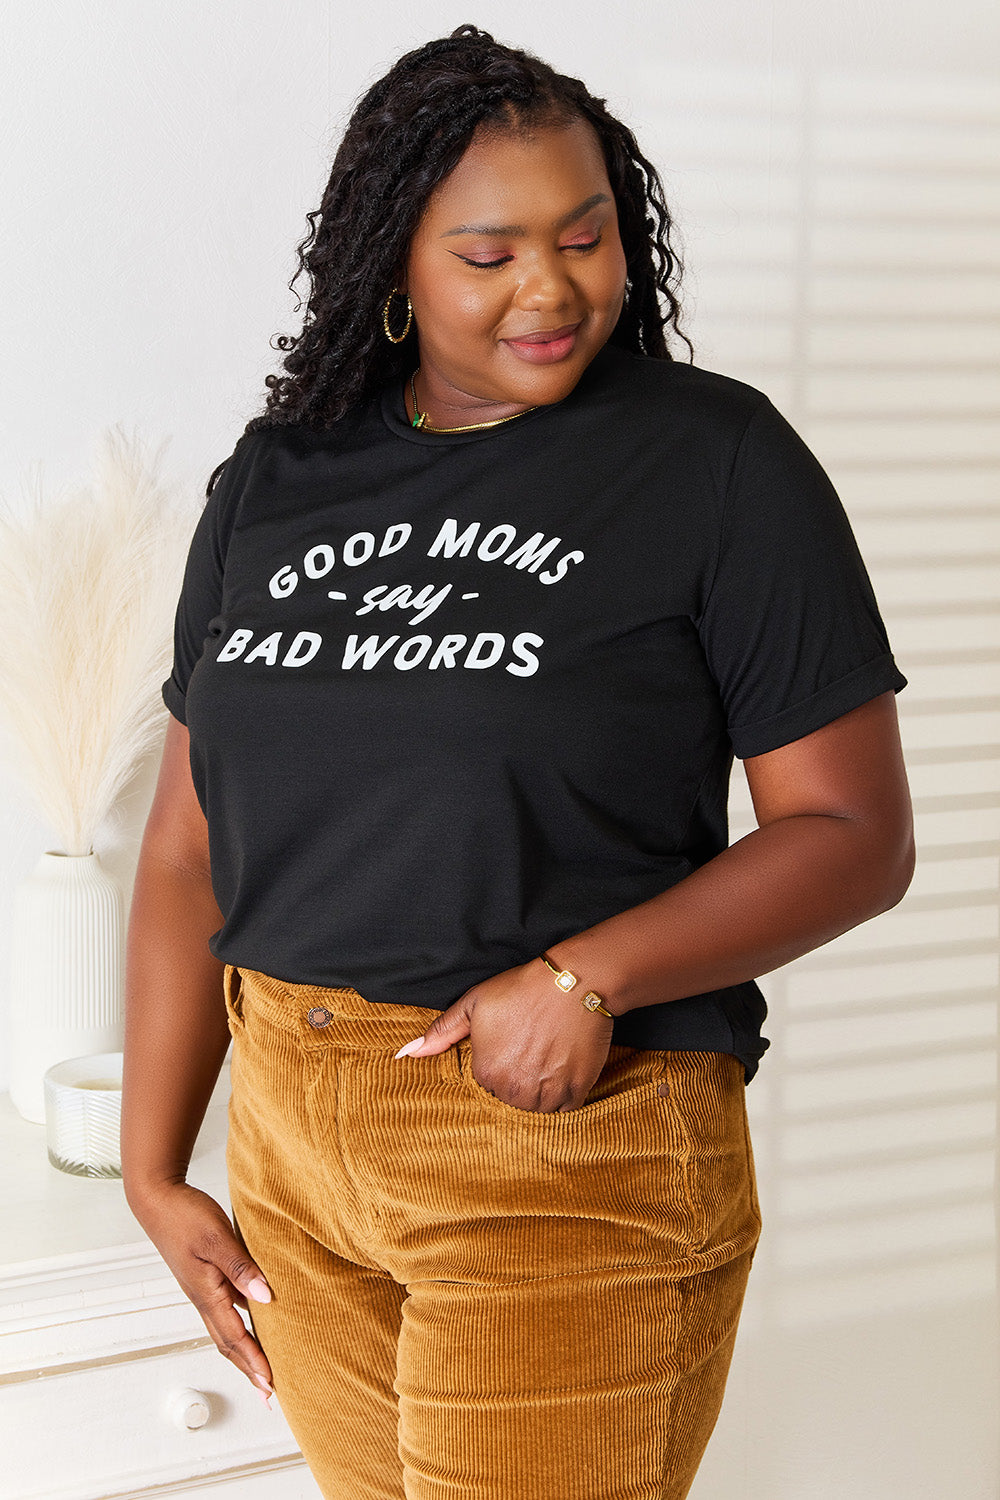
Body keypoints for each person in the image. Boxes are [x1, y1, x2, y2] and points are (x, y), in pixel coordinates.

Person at [121, 24, 914, 1500]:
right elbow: (187, 845)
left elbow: (855, 831)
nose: (553, 290)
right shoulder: (276, 477)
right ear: (393, 270)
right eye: (489, 256)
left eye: (587, 236)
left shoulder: (715, 462)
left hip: (564, 1146)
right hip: (293, 1149)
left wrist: (584, 975)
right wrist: (153, 1165)